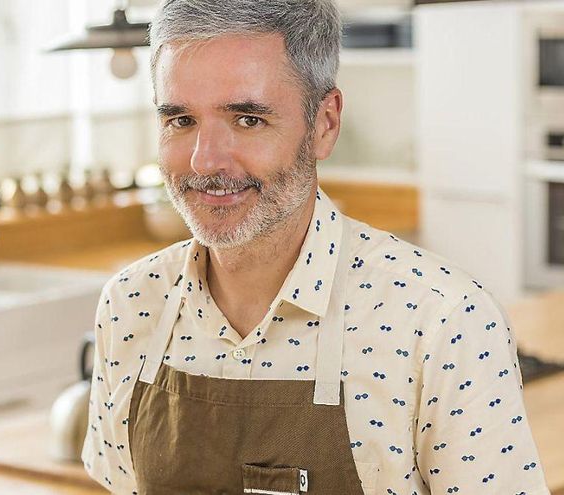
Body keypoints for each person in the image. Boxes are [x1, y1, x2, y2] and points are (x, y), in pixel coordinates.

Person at [81, 0, 550, 494]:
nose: (205, 160)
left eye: (247, 119)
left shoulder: (442, 322)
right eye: (181, 120)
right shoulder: (130, 304)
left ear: (324, 124)